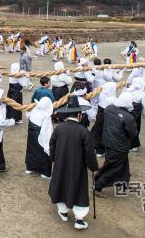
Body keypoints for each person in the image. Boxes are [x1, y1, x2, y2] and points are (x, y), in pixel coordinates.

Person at [48, 95, 98, 230]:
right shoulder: (83, 131)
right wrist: (93, 167)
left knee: (61, 184)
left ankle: (63, 212)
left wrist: (54, 158)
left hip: (61, 164)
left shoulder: (59, 128)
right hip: (77, 166)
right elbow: (89, 152)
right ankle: (79, 219)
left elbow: (51, 144)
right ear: (79, 115)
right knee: (78, 188)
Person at [94, 92, 137, 197]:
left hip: (108, 141)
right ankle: (98, 185)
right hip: (119, 145)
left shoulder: (109, 108)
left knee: (123, 165)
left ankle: (124, 183)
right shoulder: (128, 117)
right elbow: (133, 133)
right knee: (114, 167)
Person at [25, 97, 53, 179]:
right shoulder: (46, 116)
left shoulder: (34, 110)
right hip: (40, 134)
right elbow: (47, 132)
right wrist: (48, 146)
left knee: (31, 151)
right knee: (43, 154)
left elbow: (27, 115)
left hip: (31, 134)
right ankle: (45, 172)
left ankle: (30, 168)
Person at [91, 81, 118, 157]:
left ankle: (99, 150)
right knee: (107, 132)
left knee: (99, 131)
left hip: (100, 112)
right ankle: (104, 149)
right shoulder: (113, 99)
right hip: (108, 113)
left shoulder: (102, 94)